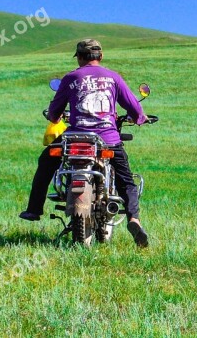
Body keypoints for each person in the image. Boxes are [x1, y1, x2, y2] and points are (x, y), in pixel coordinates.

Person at [20, 39, 150, 248]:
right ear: (101, 56)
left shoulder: (71, 77)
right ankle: (134, 219)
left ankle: (34, 209)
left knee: (46, 162)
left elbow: (54, 113)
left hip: (75, 137)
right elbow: (133, 106)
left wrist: (55, 117)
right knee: (126, 180)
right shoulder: (113, 77)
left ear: (80, 57)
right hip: (107, 139)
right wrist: (140, 118)